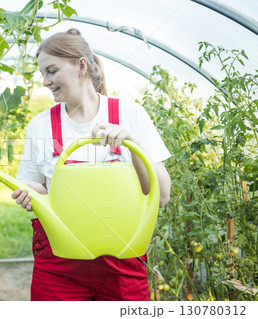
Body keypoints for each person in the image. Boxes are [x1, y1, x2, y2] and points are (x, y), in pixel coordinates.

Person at [11, 28, 172, 301]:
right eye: (42, 74)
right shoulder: (40, 126)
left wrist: (132, 144)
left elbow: (162, 196)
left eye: (51, 71)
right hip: (59, 264)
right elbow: (37, 186)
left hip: (123, 262)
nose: (45, 82)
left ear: (81, 66)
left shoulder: (129, 114)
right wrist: (30, 192)